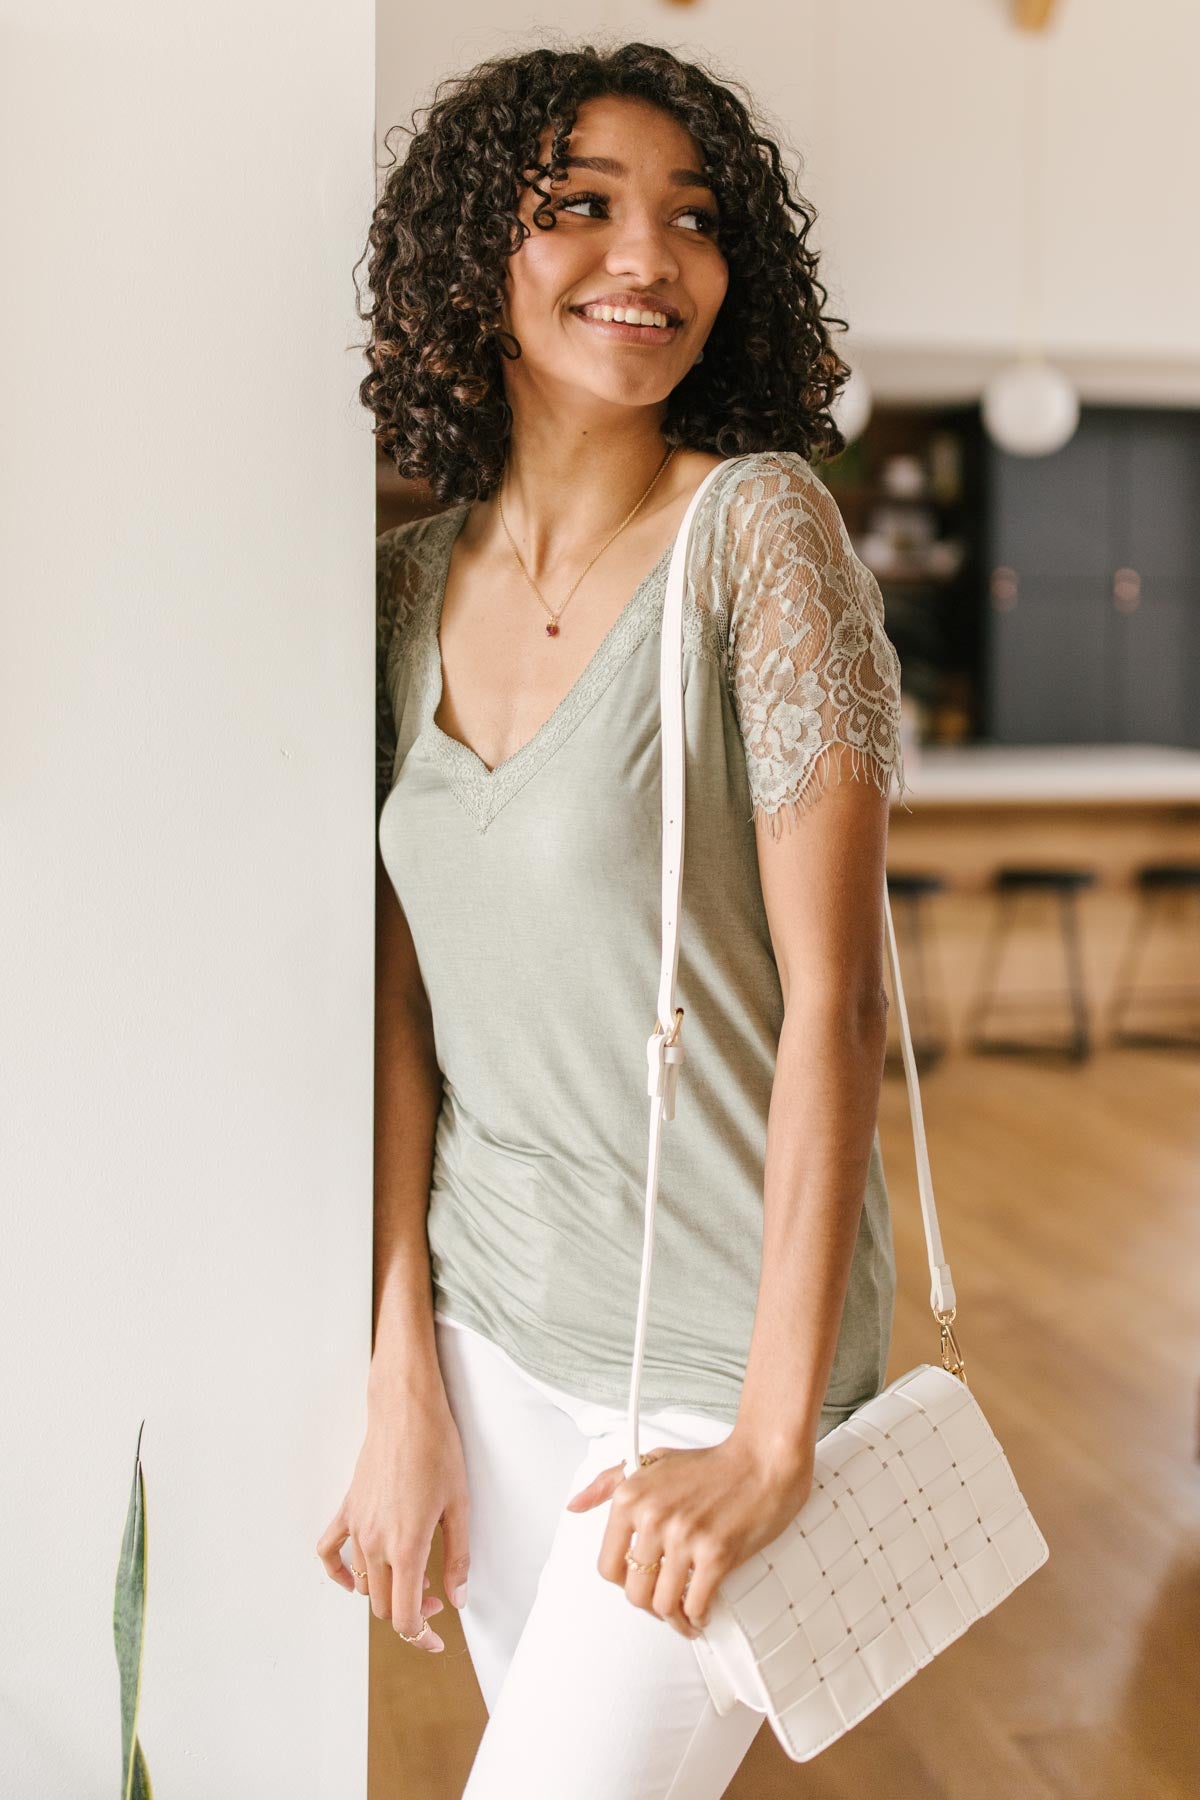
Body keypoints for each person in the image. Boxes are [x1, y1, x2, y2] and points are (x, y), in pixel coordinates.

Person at [317, 38, 910, 1799]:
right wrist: (397, 1369)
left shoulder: (758, 536)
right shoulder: (400, 592)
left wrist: (774, 1438)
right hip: (487, 1337)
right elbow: (402, 1003)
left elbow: (840, 1006)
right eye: (581, 207)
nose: (648, 257)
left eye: (694, 218)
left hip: (714, 1356)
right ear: (469, 263)